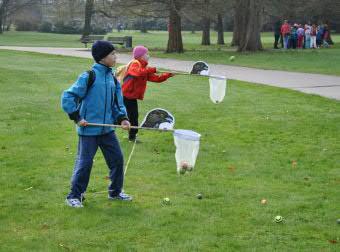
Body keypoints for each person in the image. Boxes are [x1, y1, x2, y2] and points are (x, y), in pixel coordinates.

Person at [61, 41, 132, 208]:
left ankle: (115, 192)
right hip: (88, 131)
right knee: (84, 163)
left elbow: (117, 104)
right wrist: (77, 118)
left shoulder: (113, 80)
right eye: (112, 54)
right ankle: (75, 196)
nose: (116, 57)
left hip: (107, 130)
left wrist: (122, 118)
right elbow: (68, 97)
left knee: (117, 160)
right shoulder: (89, 76)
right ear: (102, 58)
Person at [121, 45, 174, 142]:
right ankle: (132, 137)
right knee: (132, 116)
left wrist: (168, 75)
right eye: (147, 54)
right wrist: (152, 69)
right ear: (141, 56)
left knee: (132, 116)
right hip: (126, 96)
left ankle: (131, 136)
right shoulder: (135, 64)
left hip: (131, 97)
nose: (149, 56)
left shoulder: (144, 68)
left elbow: (156, 78)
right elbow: (137, 73)